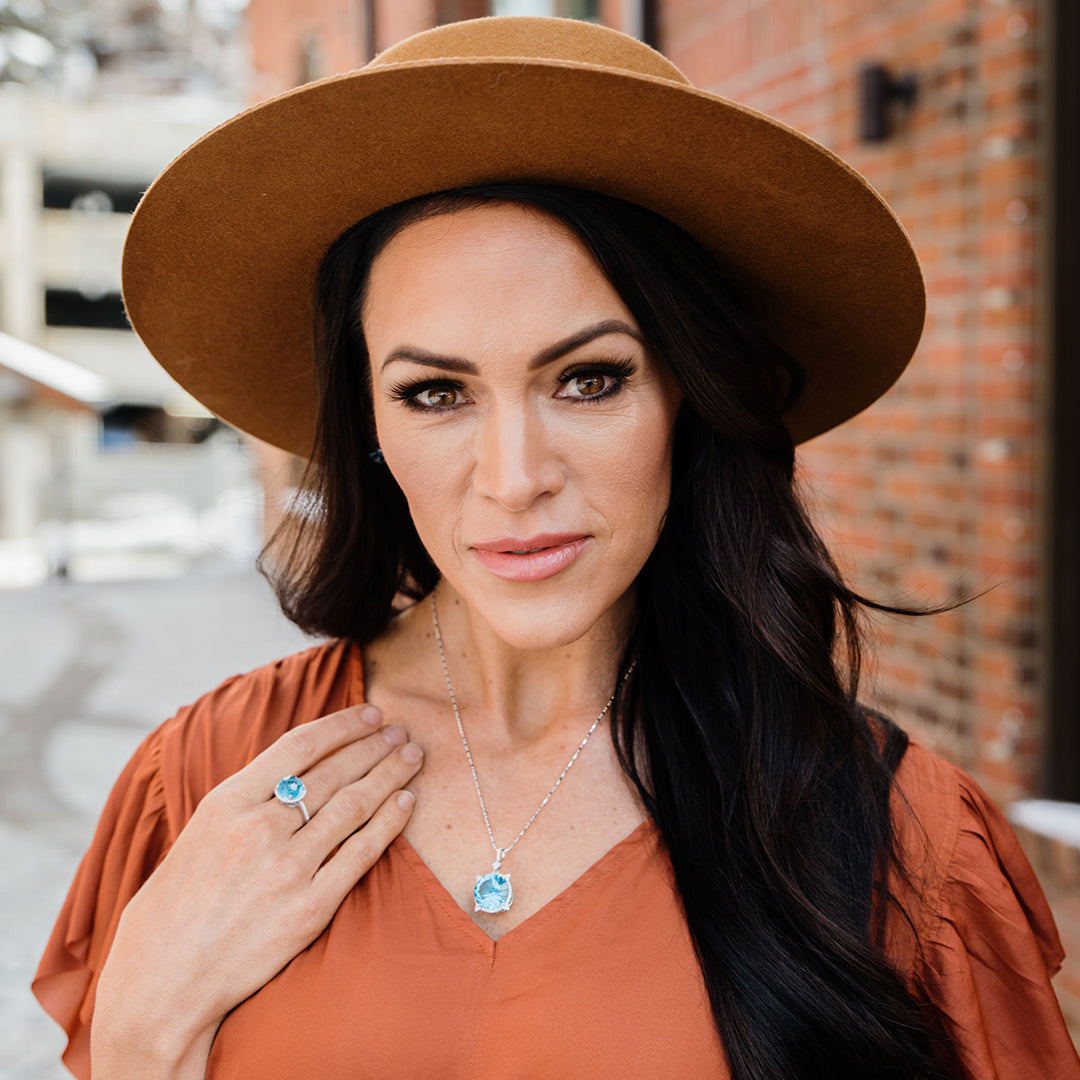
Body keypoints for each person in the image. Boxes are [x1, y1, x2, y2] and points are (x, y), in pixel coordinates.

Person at [33, 15, 1080, 1080]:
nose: (513, 475)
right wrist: (137, 1037)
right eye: (435, 392)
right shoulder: (210, 780)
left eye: (589, 379)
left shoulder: (900, 839)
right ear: (369, 424)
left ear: (690, 394)